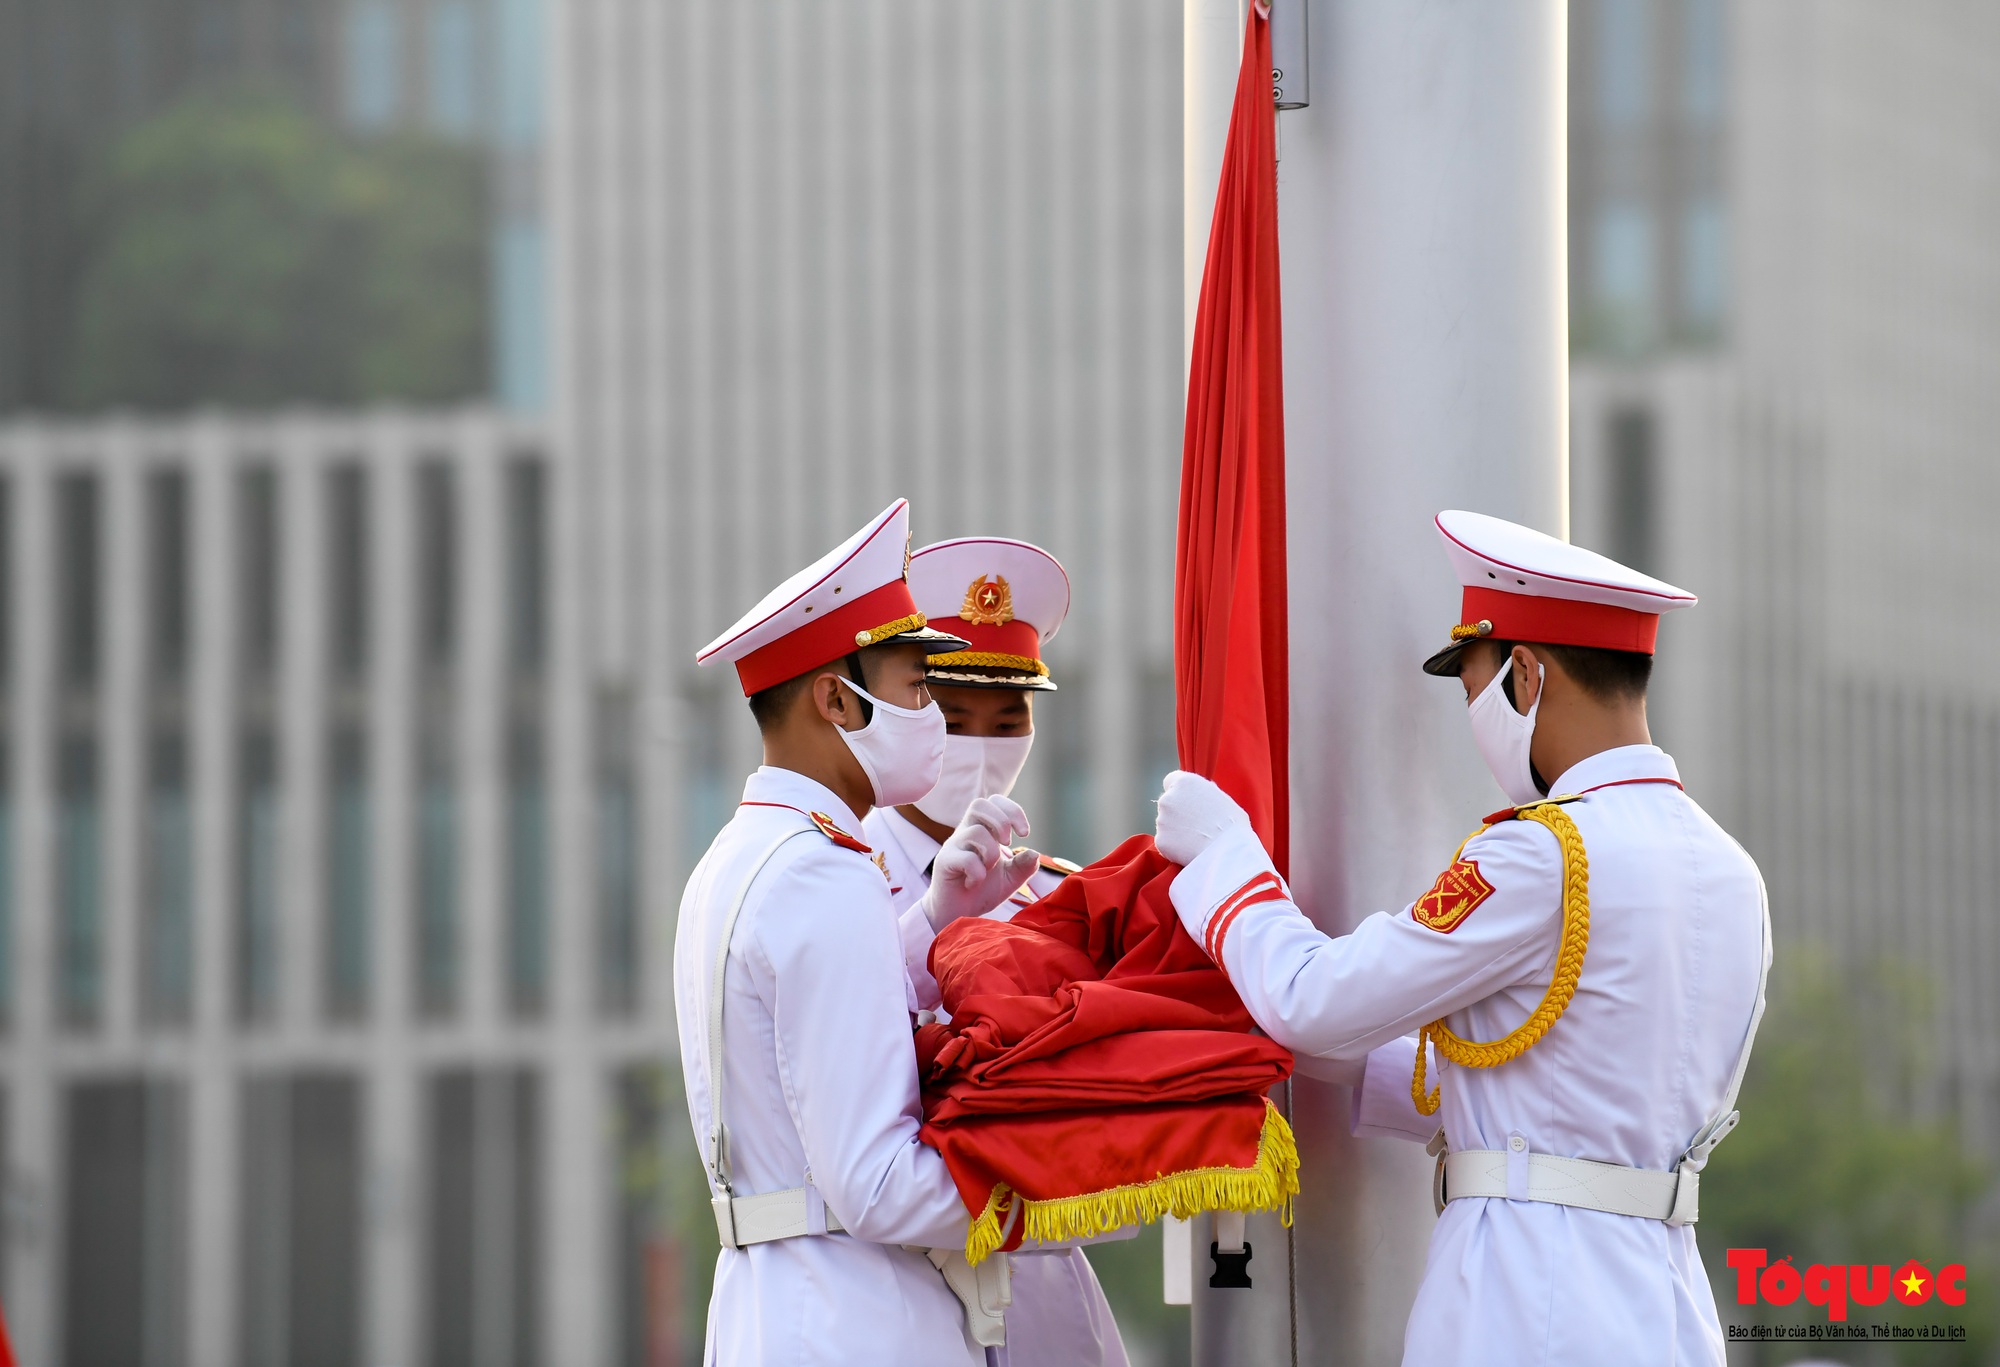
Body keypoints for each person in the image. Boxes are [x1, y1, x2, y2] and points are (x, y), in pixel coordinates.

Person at [1152, 510, 1772, 1367]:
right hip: (1665, 1299)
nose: (1474, 709)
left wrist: (1226, 859)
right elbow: (1555, 1084)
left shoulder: (1543, 852)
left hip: (1527, 1295)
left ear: (1527, 674)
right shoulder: (1731, 870)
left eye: (1472, 682)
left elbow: (1313, 1001)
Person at [677, 500, 1045, 1367]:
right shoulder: (824, 871)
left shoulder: (742, 854)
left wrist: (930, 928)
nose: (928, 714)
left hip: (775, 1301)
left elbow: (802, 1041)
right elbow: (878, 1185)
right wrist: (1080, 1179)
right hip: (858, 1311)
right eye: (917, 689)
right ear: (837, 700)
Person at [862, 536, 1130, 1367]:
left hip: (1047, 1294)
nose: (981, 748)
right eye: (953, 716)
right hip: (896, 1286)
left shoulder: (1056, 895)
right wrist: (935, 919)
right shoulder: (838, 877)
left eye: (1008, 721)